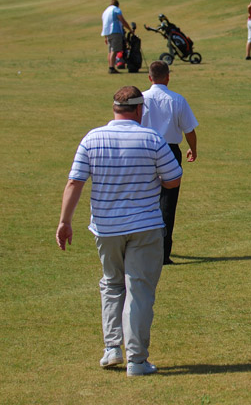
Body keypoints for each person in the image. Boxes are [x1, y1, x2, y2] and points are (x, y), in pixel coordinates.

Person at [56, 86, 182, 377]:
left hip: (106, 227)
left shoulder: (93, 138)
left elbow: (75, 182)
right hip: (145, 226)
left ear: (115, 109)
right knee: (139, 290)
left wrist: (65, 222)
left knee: (112, 285)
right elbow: (173, 178)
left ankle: (112, 349)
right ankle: (137, 360)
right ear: (139, 110)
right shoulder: (152, 139)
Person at [141, 60, 199, 265]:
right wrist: (193, 148)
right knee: (167, 202)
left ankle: (141, 248)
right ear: (168, 77)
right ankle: (163, 252)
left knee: (144, 199)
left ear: (149, 78)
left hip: (144, 151)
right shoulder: (177, 99)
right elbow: (189, 129)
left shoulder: (141, 99)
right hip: (170, 151)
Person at [101, 0, 132, 74]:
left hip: (107, 33)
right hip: (115, 31)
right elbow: (122, 20)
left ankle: (110, 66)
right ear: (117, 5)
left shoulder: (105, 11)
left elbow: (105, 24)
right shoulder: (116, 10)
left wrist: (105, 37)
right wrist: (129, 29)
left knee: (110, 51)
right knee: (114, 50)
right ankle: (112, 68)